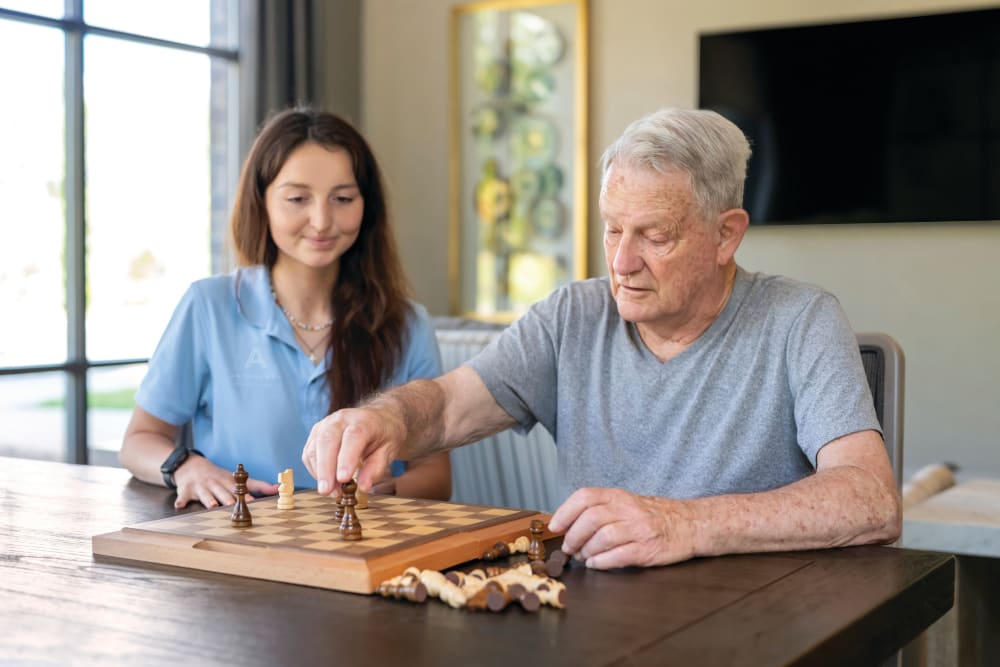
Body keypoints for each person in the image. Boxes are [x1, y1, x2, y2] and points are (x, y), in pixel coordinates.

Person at [301, 107, 901, 570]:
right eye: (612, 229)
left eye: (654, 235)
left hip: (754, 625)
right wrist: (385, 420)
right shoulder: (574, 315)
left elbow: (869, 499)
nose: (622, 260)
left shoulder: (801, 319)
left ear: (726, 235)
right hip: (599, 625)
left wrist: (684, 524)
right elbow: (453, 404)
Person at [120, 107, 451, 509]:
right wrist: (186, 466)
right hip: (236, 544)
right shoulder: (210, 306)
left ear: (367, 207)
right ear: (261, 202)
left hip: (365, 549)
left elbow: (436, 473)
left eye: (343, 198)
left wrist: (387, 490)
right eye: (298, 198)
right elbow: (139, 440)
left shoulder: (406, 323)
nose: (322, 220)